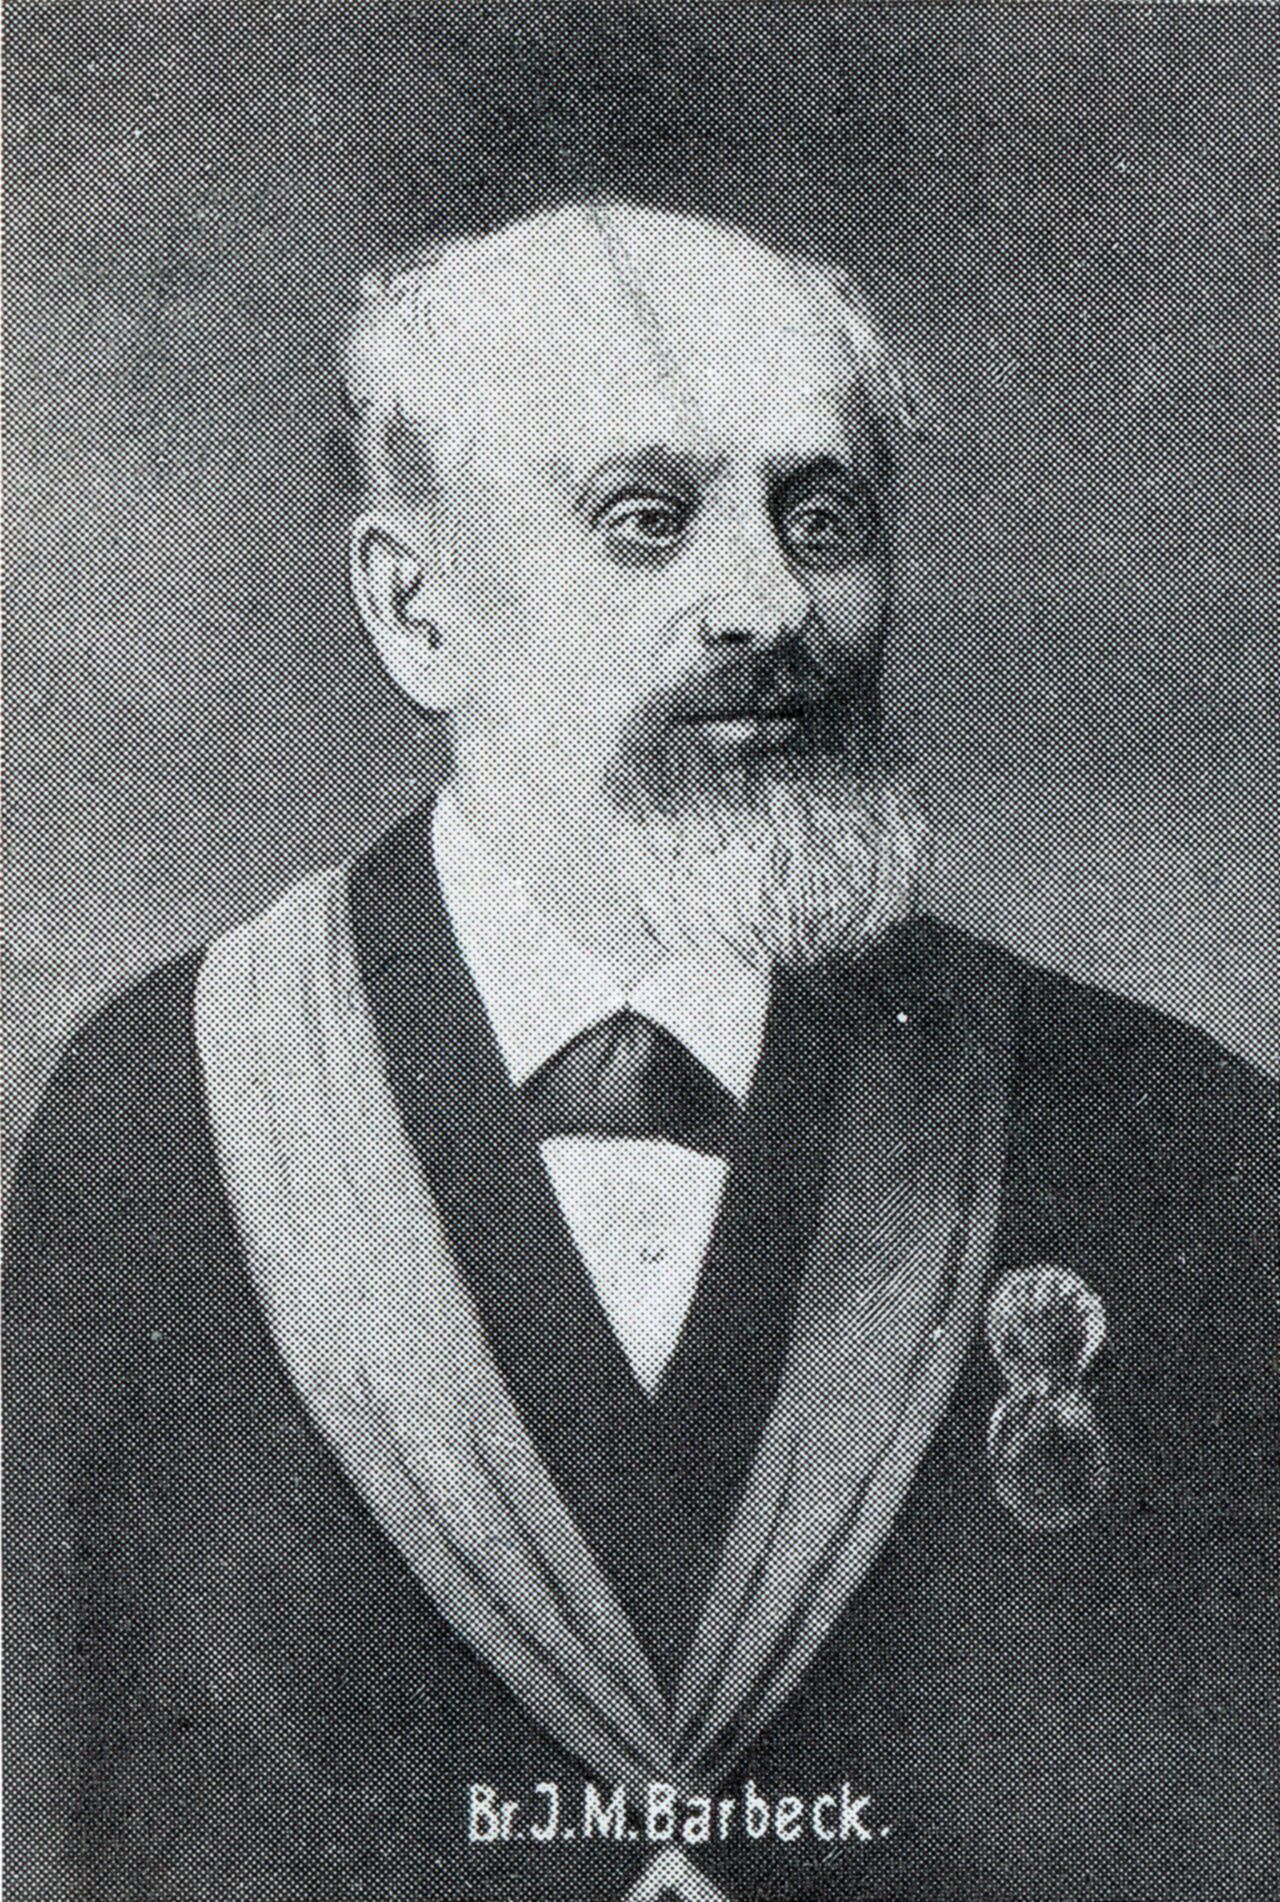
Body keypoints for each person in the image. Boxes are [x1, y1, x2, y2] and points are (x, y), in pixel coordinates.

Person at [5, 201, 1275, 1902]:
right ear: (414, 607)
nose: (767, 599)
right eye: (647, 520)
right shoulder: (159, 1119)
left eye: (819, 516)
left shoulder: (1166, 1134)